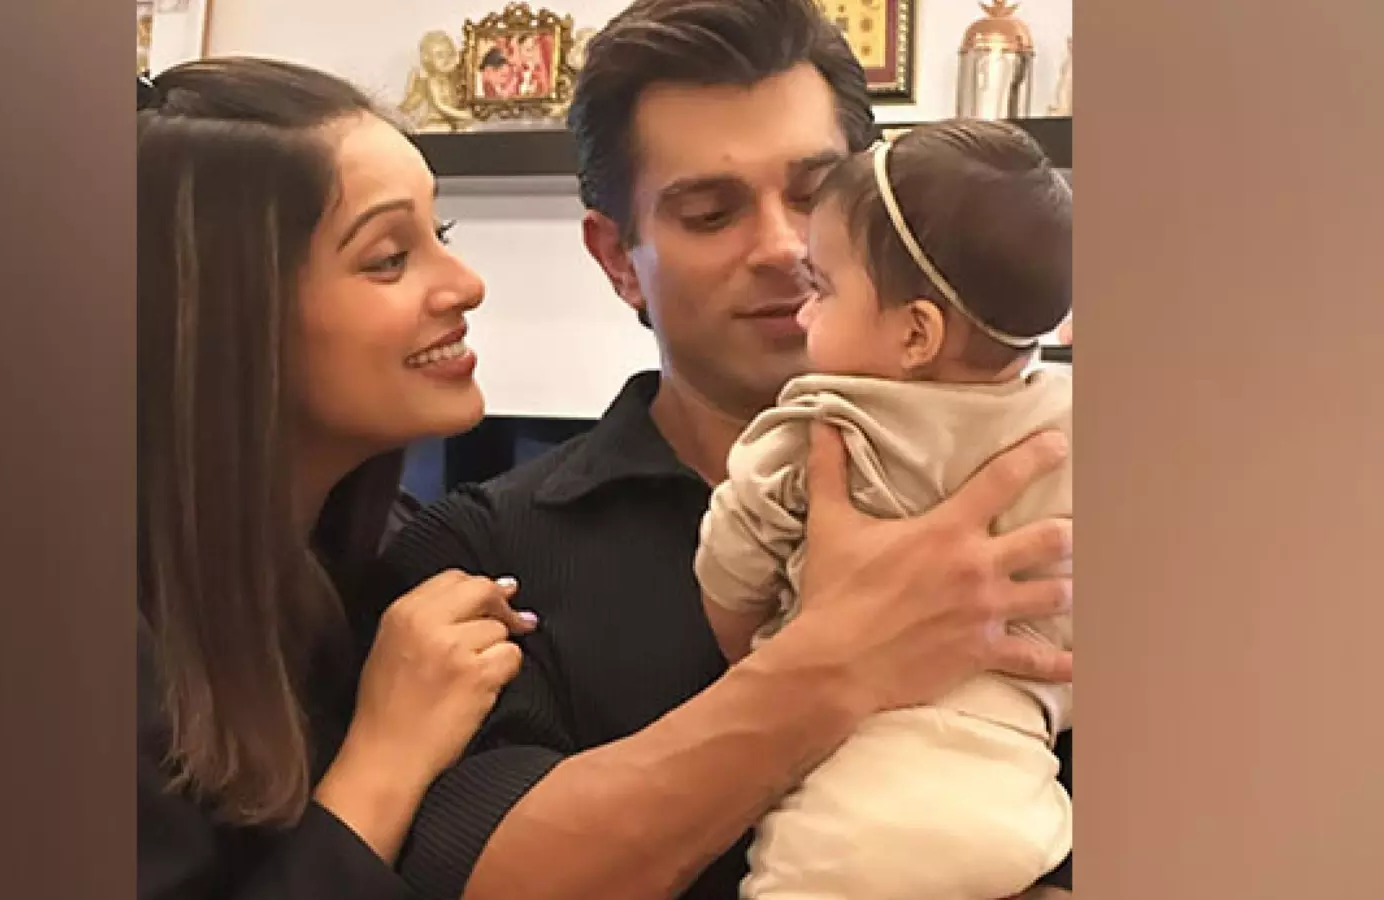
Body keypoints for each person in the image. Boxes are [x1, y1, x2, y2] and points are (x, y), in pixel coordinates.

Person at [368, 1, 1075, 898]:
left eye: (819, 198)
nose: (785, 248)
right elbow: (480, 877)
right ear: (617, 259)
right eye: (710, 213)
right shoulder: (481, 550)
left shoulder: (1048, 471)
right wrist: (832, 661)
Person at [136, 57, 539, 899]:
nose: (465, 286)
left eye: (443, 233)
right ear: (232, 315)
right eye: (389, 259)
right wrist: (385, 759)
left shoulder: (381, 549)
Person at [696, 120, 1073, 900]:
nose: (803, 313)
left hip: (857, 814)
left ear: (915, 333)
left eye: (822, 288)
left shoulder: (819, 427)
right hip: (1018, 805)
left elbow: (728, 579)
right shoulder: (1075, 426)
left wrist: (775, 643)